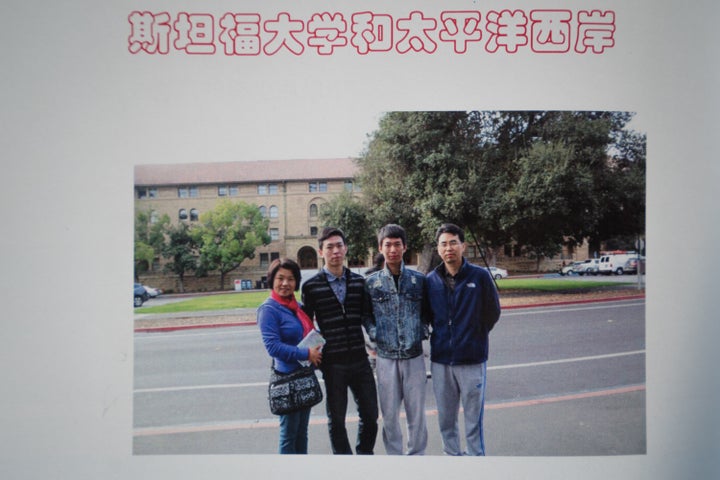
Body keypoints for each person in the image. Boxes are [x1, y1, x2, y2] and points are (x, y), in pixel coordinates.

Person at [301, 227, 378, 455]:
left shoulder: (358, 282)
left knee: (371, 416)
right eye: (329, 247)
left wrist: (376, 339)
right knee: (336, 419)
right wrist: (312, 354)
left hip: (360, 360)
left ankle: (364, 456)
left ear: (345, 248)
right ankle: (344, 463)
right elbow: (307, 325)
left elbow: (366, 317)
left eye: (339, 246)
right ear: (321, 252)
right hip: (333, 363)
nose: (335, 251)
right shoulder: (311, 286)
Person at [426, 223, 501, 456]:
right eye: (443, 244)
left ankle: (475, 461)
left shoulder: (479, 277)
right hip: (441, 362)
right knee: (446, 420)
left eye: (453, 243)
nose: (448, 248)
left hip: (472, 360)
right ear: (438, 249)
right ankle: (452, 460)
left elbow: (493, 312)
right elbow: (427, 315)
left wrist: (475, 334)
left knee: (472, 419)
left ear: (463, 246)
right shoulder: (431, 280)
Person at [365, 224, 430, 455]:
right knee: (390, 415)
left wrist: (420, 331)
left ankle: (417, 457)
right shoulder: (371, 283)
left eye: (397, 244)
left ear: (405, 246)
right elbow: (366, 316)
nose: (392, 249)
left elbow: (427, 313)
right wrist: (376, 333)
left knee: (417, 414)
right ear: (380, 248)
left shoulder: (418, 280)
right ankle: (395, 459)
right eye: (387, 245)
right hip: (385, 359)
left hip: (414, 358)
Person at [257, 258, 323, 454]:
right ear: (272, 280)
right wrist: (306, 353)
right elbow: (273, 347)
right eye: (280, 278)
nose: (285, 283)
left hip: (303, 376)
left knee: (302, 432)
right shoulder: (268, 309)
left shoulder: (297, 307)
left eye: (291, 279)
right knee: (288, 435)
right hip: (287, 380)